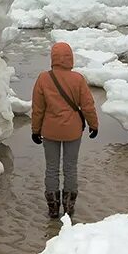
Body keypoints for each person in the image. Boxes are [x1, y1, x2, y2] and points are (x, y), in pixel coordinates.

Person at [31, 42, 98, 219]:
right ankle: (68, 208)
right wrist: (94, 125)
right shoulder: (78, 79)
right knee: (70, 167)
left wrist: (35, 130)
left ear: (53, 58)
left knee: (51, 169)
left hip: (50, 130)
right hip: (72, 131)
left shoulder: (43, 78)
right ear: (70, 58)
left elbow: (38, 109)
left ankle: (53, 209)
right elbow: (88, 106)